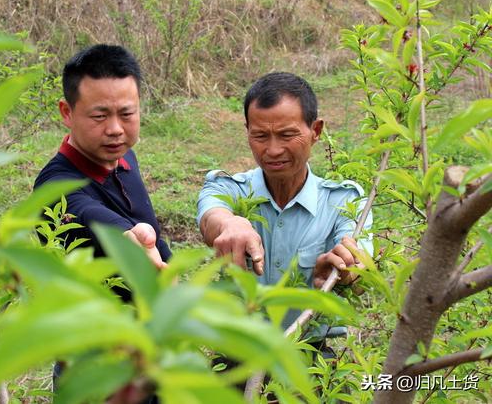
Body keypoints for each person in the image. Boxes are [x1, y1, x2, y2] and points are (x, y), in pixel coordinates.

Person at [197, 72, 372, 341]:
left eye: (287, 134)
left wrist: (344, 271)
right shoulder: (229, 188)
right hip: (239, 352)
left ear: (315, 131)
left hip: (309, 353)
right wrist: (231, 224)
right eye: (260, 136)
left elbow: (359, 263)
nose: (273, 150)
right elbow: (211, 216)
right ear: (247, 131)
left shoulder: (343, 201)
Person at [34, 44, 171, 270]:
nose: (115, 129)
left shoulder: (126, 159)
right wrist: (128, 238)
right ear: (67, 113)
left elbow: (155, 237)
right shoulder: (52, 187)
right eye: (100, 116)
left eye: (126, 113)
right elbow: (88, 215)